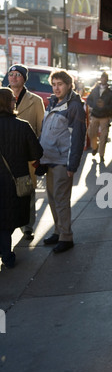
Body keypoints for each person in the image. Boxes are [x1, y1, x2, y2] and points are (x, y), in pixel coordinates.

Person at [39, 69, 86, 254]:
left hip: (62, 161)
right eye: (54, 84)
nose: (56, 88)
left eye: (60, 84)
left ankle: (66, 237)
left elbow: (78, 138)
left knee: (61, 201)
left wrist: (72, 165)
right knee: (52, 200)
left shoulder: (73, 106)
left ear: (68, 85)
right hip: (48, 160)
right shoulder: (53, 103)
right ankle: (59, 231)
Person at [0, 87, 43, 269]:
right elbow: (37, 153)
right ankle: (7, 256)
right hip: (16, 181)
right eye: (12, 100)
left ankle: (6, 252)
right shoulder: (22, 126)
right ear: (9, 104)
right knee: (9, 220)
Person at [6, 64, 45, 241]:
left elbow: (40, 128)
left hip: (26, 156)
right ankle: (7, 226)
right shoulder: (1, 96)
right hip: (4, 156)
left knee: (27, 191)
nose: (13, 78)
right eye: (11, 74)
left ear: (24, 79)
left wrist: (37, 157)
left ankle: (27, 226)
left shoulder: (35, 100)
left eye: (17, 75)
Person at [86, 72, 112, 163]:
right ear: (100, 79)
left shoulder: (110, 92)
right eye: (102, 78)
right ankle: (95, 147)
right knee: (91, 132)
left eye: (105, 78)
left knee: (104, 136)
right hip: (95, 114)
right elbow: (89, 99)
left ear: (107, 80)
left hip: (105, 116)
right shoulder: (95, 89)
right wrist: (94, 105)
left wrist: (104, 107)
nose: (103, 80)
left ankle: (101, 154)